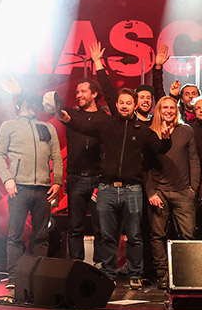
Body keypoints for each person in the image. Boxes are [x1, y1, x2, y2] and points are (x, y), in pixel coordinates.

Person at [60, 43, 172, 288]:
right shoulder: (107, 125)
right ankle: (109, 274)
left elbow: (160, 150)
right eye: (120, 102)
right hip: (107, 188)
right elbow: (88, 120)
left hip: (133, 190)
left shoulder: (143, 131)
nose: (123, 105)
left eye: (128, 103)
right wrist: (70, 119)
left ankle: (134, 275)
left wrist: (165, 136)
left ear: (134, 107)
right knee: (108, 237)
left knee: (134, 237)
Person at [0, 92, 63, 284]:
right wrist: (7, 179)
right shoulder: (9, 126)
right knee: (15, 235)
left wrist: (57, 181)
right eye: (27, 102)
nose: (31, 106)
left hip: (43, 189)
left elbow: (56, 155)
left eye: (34, 103)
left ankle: (39, 276)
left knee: (41, 235)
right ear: (20, 104)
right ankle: (14, 277)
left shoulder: (47, 127)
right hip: (19, 188)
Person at [144, 96, 200, 287]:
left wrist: (193, 189)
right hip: (159, 191)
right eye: (164, 107)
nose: (168, 110)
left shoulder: (186, 131)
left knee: (188, 235)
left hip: (183, 192)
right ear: (158, 110)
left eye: (172, 107)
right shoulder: (150, 133)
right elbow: (146, 167)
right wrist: (151, 192)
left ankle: (185, 273)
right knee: (158, 235)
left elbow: (194, 160)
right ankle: (162, 274)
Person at [60, 78, 109, 262]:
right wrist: (22, 91)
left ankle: (99, 267)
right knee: (75, 226)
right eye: (77, 92)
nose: (79, 95)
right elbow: (52, 105)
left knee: (101, 227)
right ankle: (76, 265)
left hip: (99, 178)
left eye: (83, 91)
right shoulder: (71, 114)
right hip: (76, 178)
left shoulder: (105, 118)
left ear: (94, 93)